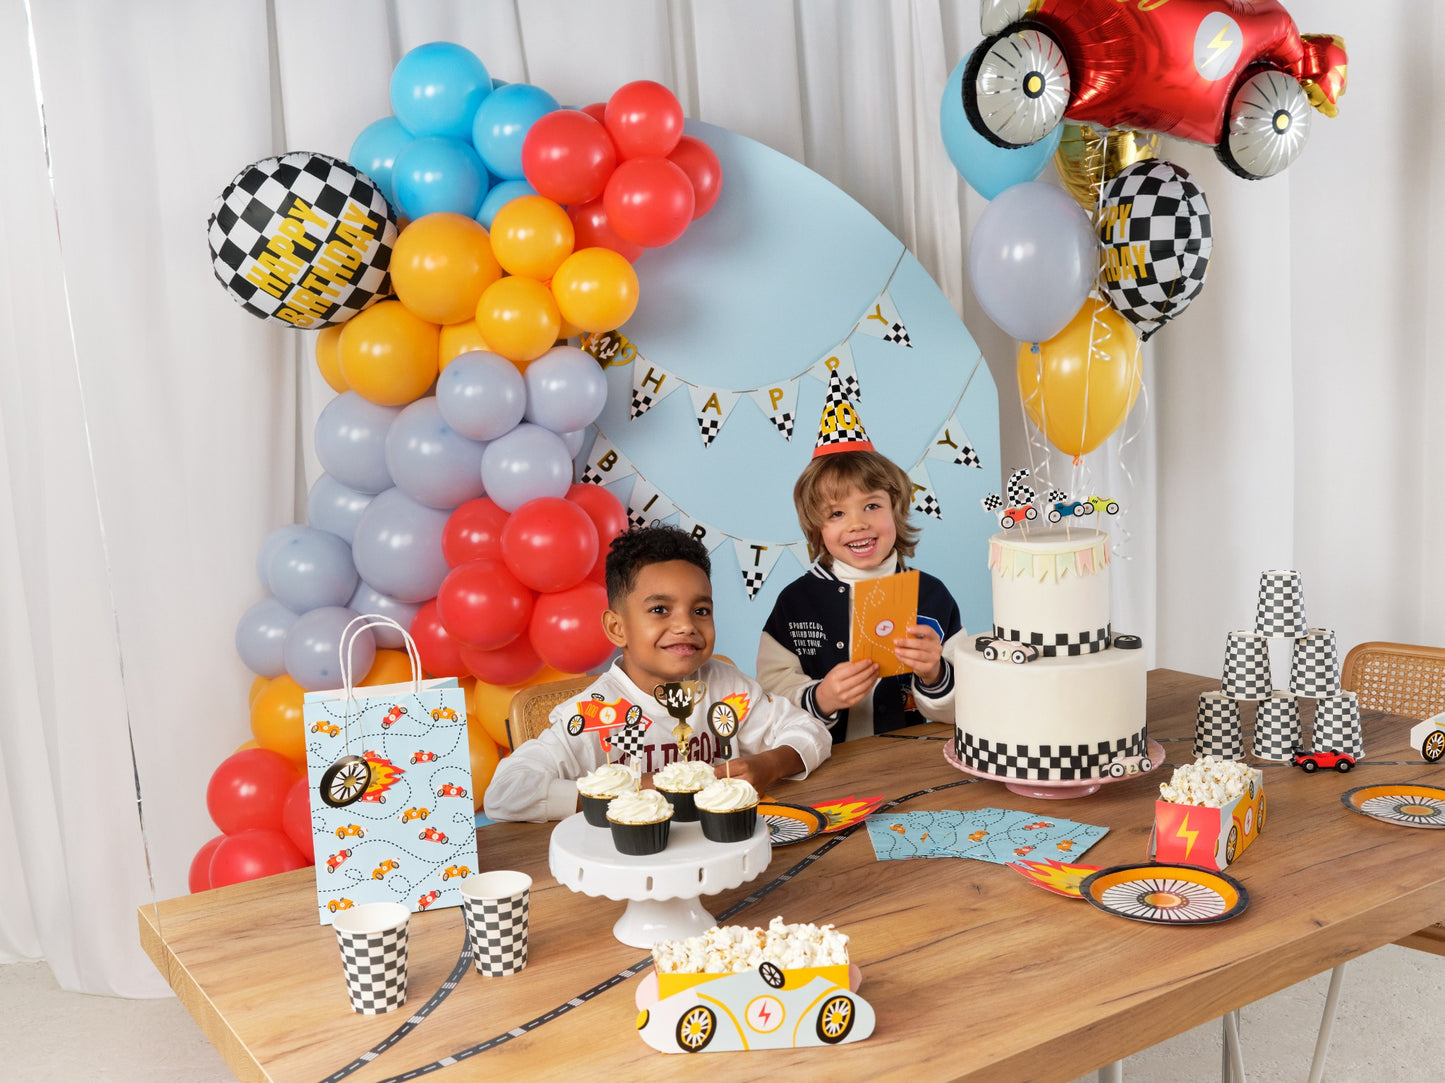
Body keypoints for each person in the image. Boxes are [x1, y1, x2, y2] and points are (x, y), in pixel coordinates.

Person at [484, 524, 833, 822]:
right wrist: (632, 790)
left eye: (700, 610)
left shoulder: (726, 688)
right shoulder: (594, 715)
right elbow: (506, 793)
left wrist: (770, 764)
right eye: (660, 609)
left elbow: (809, 730)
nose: (685, 625)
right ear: (617, 628)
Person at [758, 394, 964, 743]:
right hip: (825, 767)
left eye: (871, 505)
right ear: (817, 529)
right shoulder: (796, 602)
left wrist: (936, 673)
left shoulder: (931, 596)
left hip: (910, 760)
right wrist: (821, 699)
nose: (857, 524)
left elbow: (967, 707)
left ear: (895, 509)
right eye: (836, 513)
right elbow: (769, 698)